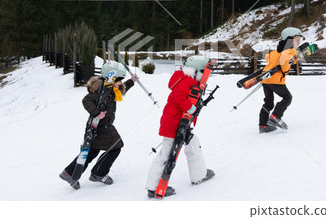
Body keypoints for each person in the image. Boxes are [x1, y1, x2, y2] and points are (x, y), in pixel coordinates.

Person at [145, 55, 215, 198]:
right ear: (197, 71)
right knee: (166, 153)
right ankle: (153, 187)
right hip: (174, 123)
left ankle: (199, 174)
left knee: (193, 143)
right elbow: (179, 98)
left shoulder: (188, 80)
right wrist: (192, 109)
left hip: (182, 122)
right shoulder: (187, 81)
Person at [59, 61, 135, 189]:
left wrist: (132, 81)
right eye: (119, 80)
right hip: (100, 126)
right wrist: (97, 113)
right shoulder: (102, 90)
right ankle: (98, 173)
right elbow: (86, 100)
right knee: (116, 146)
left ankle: (69, 173)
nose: (121, 82)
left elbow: (120, 89)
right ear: (111, 78)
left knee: (92, 151)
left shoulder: (111, 88)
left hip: (100, 126)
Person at [259, 27, 303, 134]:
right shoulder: (289, 51)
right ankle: (275, 117)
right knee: (287, 97)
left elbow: (268, 58)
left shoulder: (275, 52)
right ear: (289, 40)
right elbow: (283, 63)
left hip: (265, 79)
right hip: (276, 80)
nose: (299, 42)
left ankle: (263, 125)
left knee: (268, 102)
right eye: (297, 40)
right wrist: (286, 68)